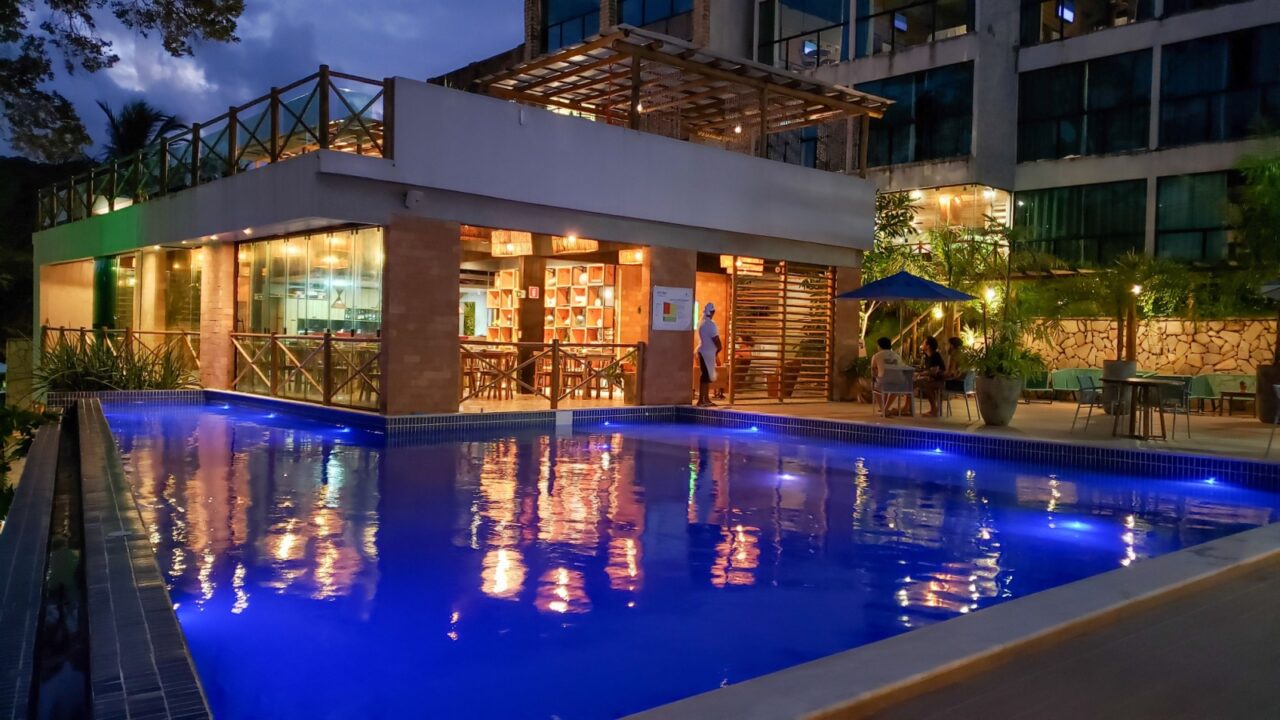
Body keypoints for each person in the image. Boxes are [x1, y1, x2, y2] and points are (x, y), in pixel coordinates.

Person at [870, 337, 907, 415]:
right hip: (898, 382)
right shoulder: (897, 356)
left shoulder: (876, 355)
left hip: (883, 381)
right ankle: (886, 408)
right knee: (893, 389)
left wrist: (875, 378)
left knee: (876, 388)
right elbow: (902, 368)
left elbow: (873, 370)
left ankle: (883, 409)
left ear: (879, 346)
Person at [696, 303, 722, 407]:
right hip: (707, 352)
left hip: (703, 351)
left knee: (706, 376)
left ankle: (705, 398)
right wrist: (719, 348)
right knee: (705, 376)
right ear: (712, 312)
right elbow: (715, 339)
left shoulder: (701, 322)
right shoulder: (710, 324)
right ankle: (702, 399)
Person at [917, 336, 946, 417]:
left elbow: (934, 371)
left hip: (939, 381)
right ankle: (907, 407)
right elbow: (928, 371)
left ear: (928, 346)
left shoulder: (935, 355)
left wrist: (921, 374)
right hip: (932, 379)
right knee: (913, 382)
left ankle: (934, 409)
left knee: (924, 383)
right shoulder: (927, 356)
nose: (922, 345)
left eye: (923, 343)